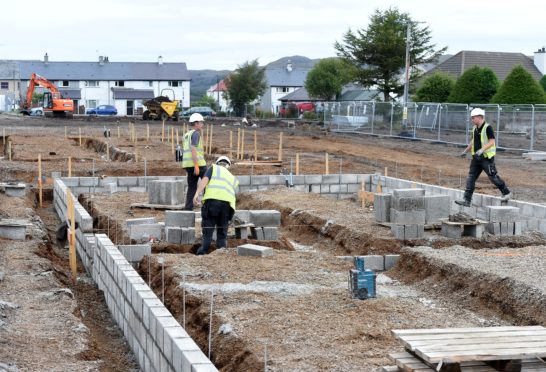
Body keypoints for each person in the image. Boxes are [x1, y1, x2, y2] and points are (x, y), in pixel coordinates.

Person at [455, 108, 511, 207]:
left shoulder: (487, 127)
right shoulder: (475, 128)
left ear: (480, 117)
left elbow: (492, 141)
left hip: (486, 158)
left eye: (473, 118)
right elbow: (473, 142)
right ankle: (467, 200)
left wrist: (482, 150)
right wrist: (465, 151)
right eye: (471, 118)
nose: (472, 120)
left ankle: (507, 193)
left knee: (493, 177)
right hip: (476, 158)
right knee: (471, 177)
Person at [193, 156, 239, 255]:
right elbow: (233, 194)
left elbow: (205, 180)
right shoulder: (231, 176)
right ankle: (221, 255)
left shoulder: (213, 168)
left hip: (212, 203)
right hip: (227, 206)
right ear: (228, 166)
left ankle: (202, 253)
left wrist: (197, 193)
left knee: (208, 231)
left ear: (218, 163)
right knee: (222, 234)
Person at [182, 113, 207, 210]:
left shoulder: (187, 134)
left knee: (192, 188)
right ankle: (207, 207)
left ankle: (188, 209)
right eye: (201, 122)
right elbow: (193, 149)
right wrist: (196, 166)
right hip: (198, 165)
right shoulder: (196, 133)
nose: (202, 124)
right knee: (208, 183)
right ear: (196, 123)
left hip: (188, 165)